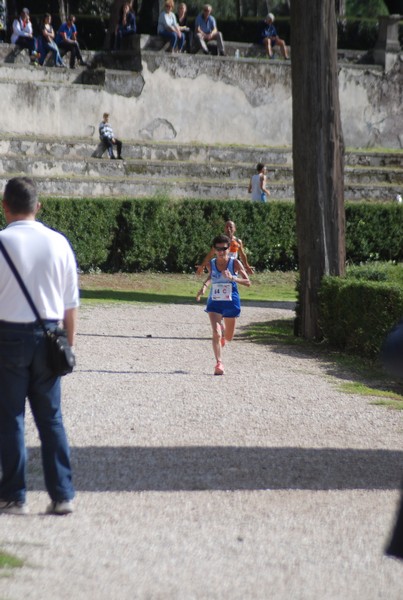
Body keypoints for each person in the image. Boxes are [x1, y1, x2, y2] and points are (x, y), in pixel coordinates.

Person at [0, 177, 79, 516]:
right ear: (38, 206)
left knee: (10, 418)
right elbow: (70, 305)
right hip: (50, 334)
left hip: (7, 336)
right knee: (51, 419)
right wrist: (68, 347)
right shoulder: (59, 243)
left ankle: (14, 496)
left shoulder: (2, 241)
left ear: (5, 207)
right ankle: (62, 494)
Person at [196, 234, 250, 375]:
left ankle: (224, 336)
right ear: (214, 249)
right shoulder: (211, 264)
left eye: (224, 249)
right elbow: (211, 277)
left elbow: (248, 282)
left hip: (231, 302)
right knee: (215, 333)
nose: (221, 252)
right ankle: (219, 364)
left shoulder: (235, 263)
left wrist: (232, 277)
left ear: (228, 248)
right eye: (218, 249)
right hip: (215, 302)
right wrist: (204, 287)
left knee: (229, 337)